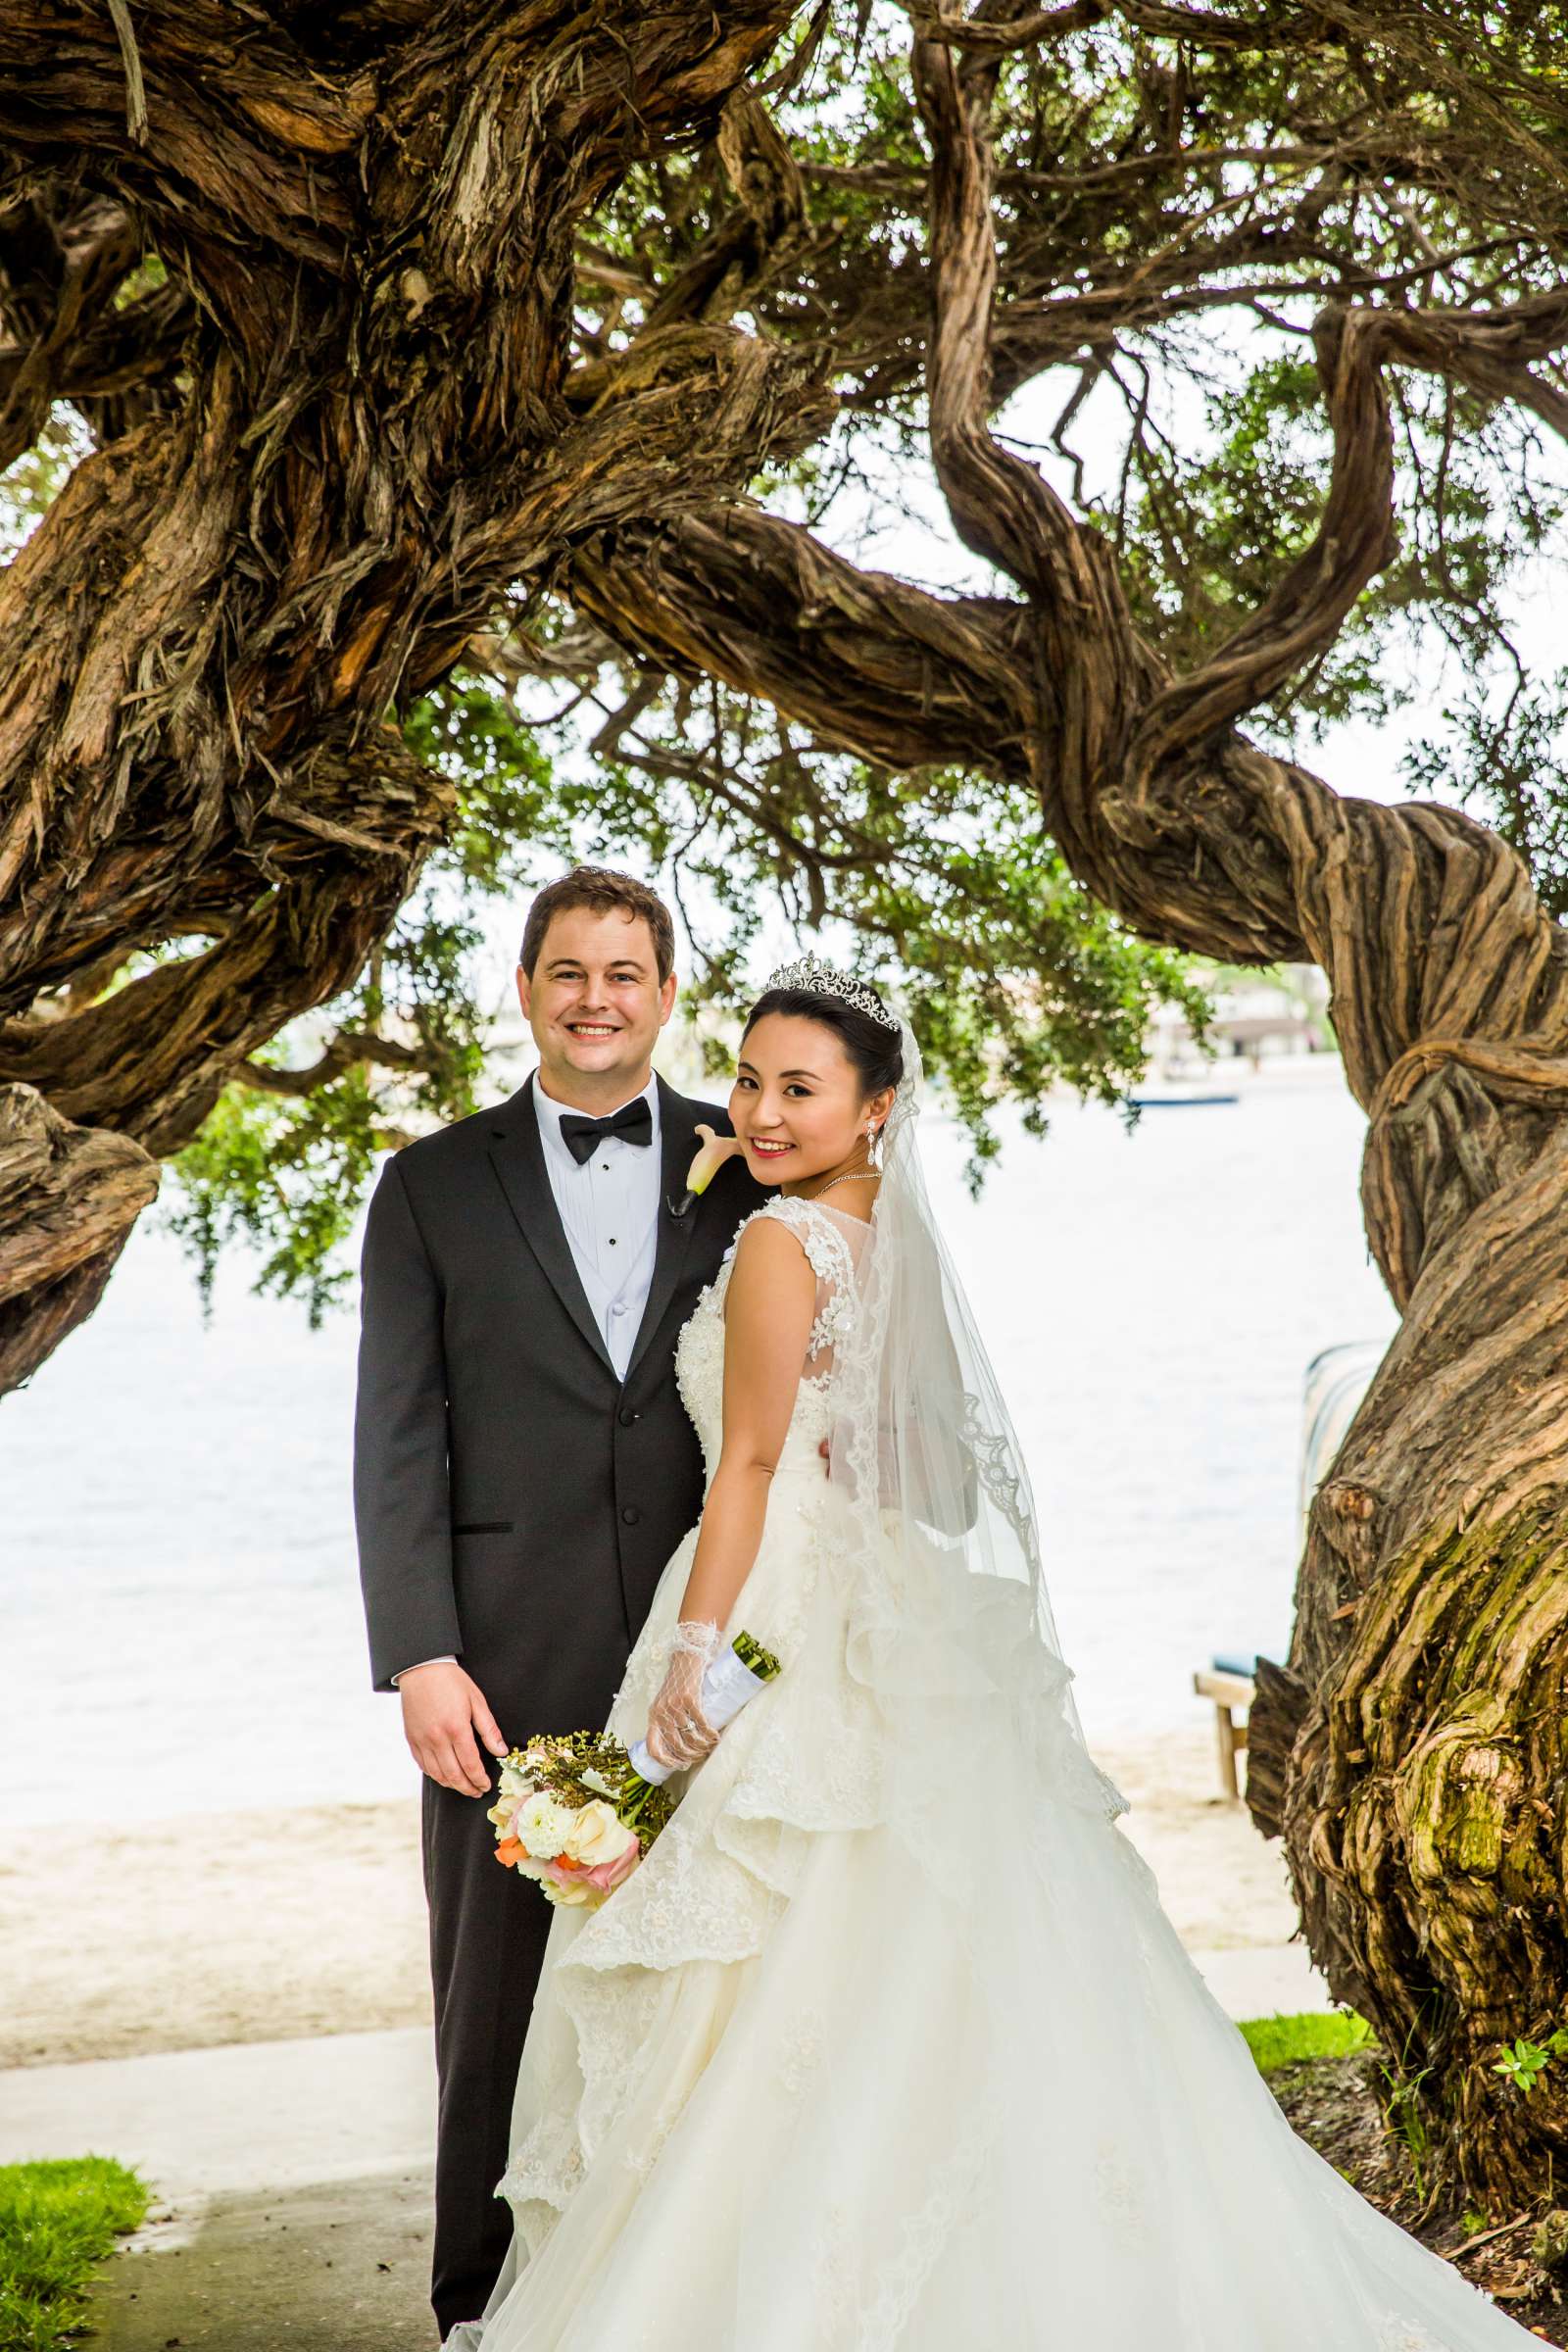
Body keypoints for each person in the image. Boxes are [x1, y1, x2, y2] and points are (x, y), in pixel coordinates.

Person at [447, 956, 1540, 2352]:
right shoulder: (890, 1237)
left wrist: (697, 1651)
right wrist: (745, 1167)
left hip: (766, 1595)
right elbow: (938, 1488)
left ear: (877, 1104)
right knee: (928, 1919)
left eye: (801, 1088)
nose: (763, 1112)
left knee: (767, 1931)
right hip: (888, 1601)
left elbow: (754, 1466)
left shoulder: (784, 1246)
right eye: (749, 1081)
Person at [352, 867, 755, 2340]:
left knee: (711, 1972)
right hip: (501, 1658)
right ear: (524, 989)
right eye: (569, 970)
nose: (598, 998)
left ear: (666, 993)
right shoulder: (430, 1184)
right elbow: (396, 1431)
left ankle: (680, 2290)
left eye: (627, 972)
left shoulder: (745, 1161)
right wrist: (420, 1657)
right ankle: (475, 2303)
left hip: (710, 1650)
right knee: (495, 1992)